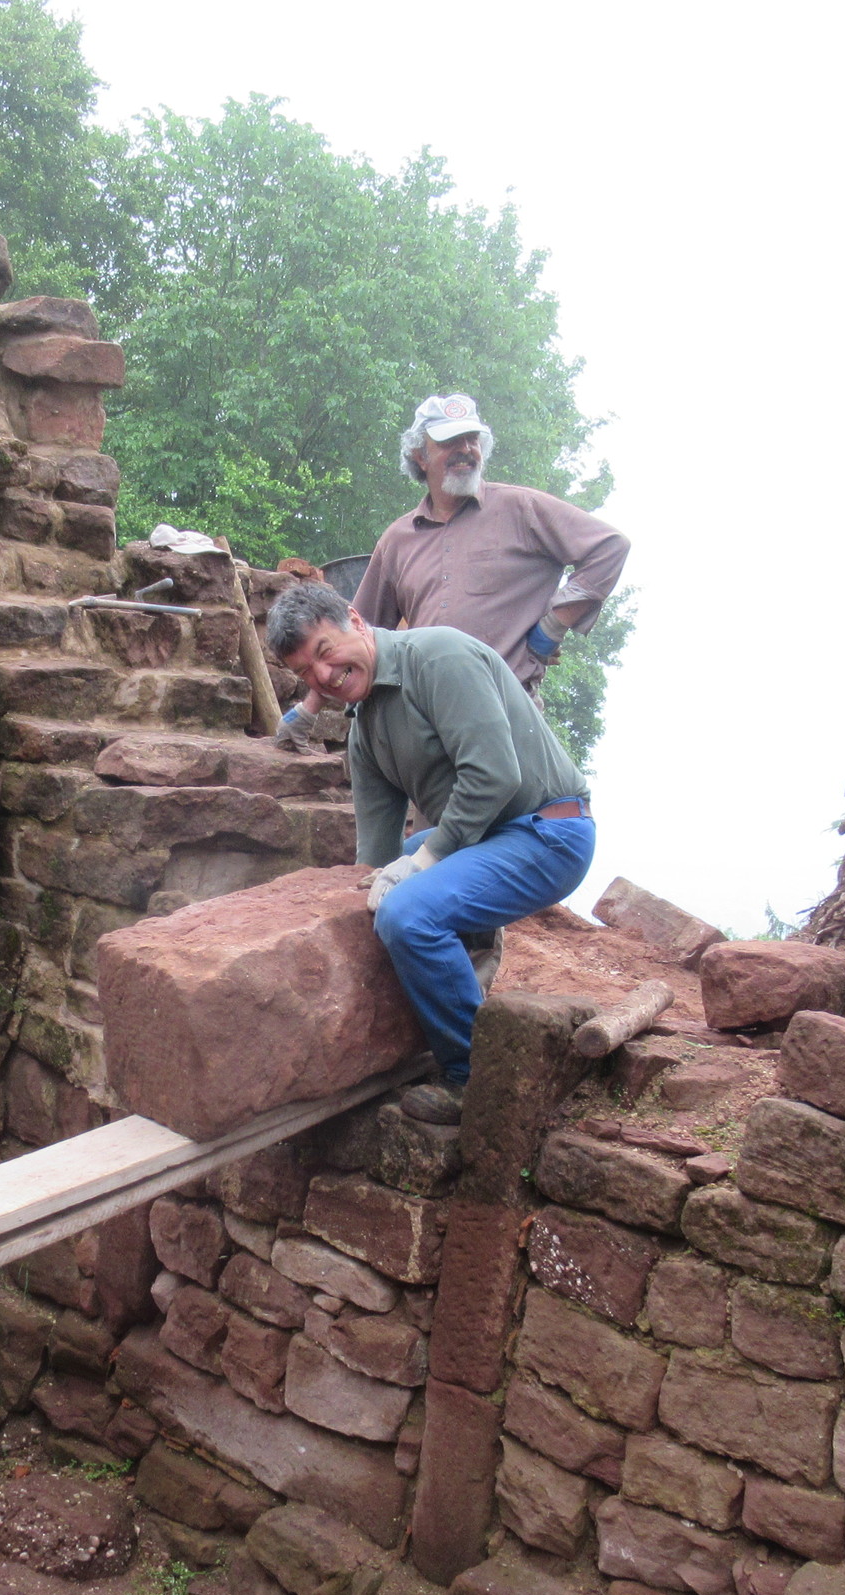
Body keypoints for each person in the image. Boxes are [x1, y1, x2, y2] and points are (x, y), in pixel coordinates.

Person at [263, 580, 596, 1122]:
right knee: (387, 885)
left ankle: (472, 1079)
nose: (324, 675)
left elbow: (494, 776)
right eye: (306, 672)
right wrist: (355, 896)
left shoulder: (438, 656)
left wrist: (424, 863)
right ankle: (453, 988)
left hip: (548, 833)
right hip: (490, 836)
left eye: (325, 651)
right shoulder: (365, 730)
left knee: (409, 912)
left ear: (355, 621)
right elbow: (374, 851)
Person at [349, 394, 631, 697]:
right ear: (420, 456)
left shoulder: (520, 508)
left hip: (507, 701)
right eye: (450, 442)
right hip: (427, 710)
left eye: (473, 439)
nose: (465, 449)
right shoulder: (397, 539)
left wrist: (551, 628)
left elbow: (610, 547)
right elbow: (361, 630)